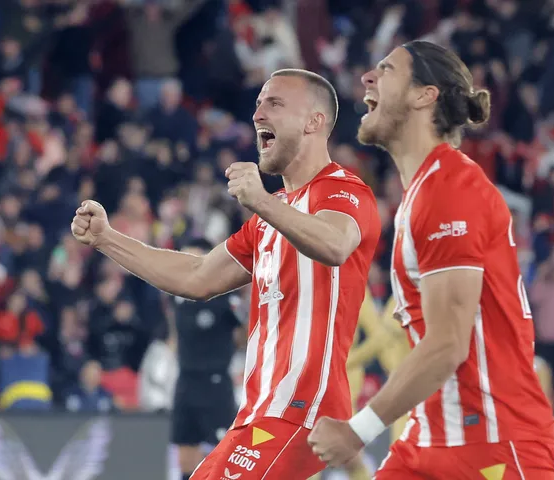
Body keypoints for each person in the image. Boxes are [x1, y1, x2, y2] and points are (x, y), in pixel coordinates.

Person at [71, 68, 381, 480]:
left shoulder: (343, 190)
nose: (257, 114)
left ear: (313, 122)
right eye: (257, 104)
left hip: (304, 408)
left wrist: (261, 201)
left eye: (274, 103)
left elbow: (335, 245)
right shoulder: (269, 218)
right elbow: (196, 276)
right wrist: (107, 239)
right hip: (257, 412)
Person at [308, 40, 554, 479]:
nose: (368, 77)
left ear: (425, 96)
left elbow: (448, 343)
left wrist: (356, 431)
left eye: (387, 69)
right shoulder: (425, 191)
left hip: (492, 443)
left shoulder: (449, 190)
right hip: (430, 436)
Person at [171, 238, 246, 480]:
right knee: (185, 454)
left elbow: (246, 332)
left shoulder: (225, 298)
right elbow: (175, 333)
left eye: (192, 259)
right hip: (185, 381)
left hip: (214, 382)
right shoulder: (177, 295)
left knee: (222, 452)